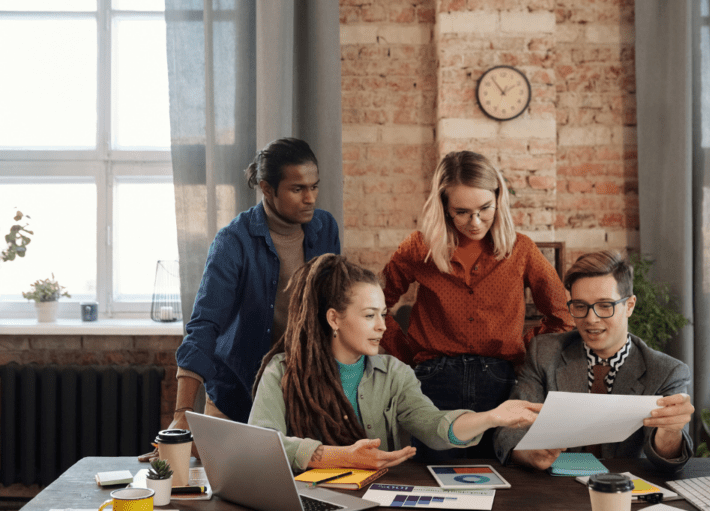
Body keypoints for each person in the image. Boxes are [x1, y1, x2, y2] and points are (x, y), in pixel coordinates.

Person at [249, 254, 542, 471]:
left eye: (383, 313)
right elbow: (261, 445)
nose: (382, 326)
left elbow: (434, 425)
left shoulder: (395, 374)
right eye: (369, 315)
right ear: (334, 318)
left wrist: (492, 416)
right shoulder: (283, 371)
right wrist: (340, 456)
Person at [379, 150, 574, 460]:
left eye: (485, 208)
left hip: (498, 382)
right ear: (444, 207)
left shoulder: (521, 250)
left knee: (498, 478)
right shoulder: (419, 248)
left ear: (499, 198)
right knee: (434, 478)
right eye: (462, 211)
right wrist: (407, 355)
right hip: (432, 382)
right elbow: (376, 306)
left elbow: (563, 317)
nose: (475, 221)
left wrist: (521, 348)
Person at [153, 138, 340, 457]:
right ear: (267, 189)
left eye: (314, 187)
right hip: (236, 398)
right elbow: (205, 326)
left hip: (302, 399)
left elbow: (332, 309)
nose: (310, 198)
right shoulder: (233, 241)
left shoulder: (325, 229)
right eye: (298, 189)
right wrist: (182, 415)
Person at [493, 250, 695, 471]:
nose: (591, 319)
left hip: (625, 489)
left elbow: (667, 461)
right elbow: (509, 429)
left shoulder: (667, 371)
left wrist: (671, 430)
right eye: (580, 306)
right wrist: (527, 453)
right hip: (555, 488)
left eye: (605, 305)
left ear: (629, 306)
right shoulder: (544, 352)